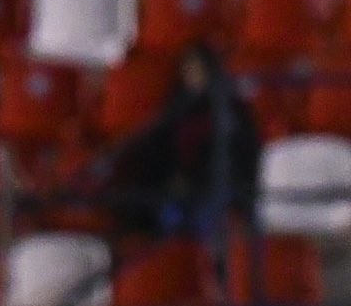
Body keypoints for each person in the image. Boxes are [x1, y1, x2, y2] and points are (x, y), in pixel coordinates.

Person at [106, 42, 260, 243]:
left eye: (197, 69)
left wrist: (198, 180)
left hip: (219, 189)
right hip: (180, 190)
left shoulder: (231, 109)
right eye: (187, 69)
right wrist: (173, 178)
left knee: (208, 219)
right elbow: (161, 149)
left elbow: (241, 153)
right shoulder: (176, 108)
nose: (192, 74)